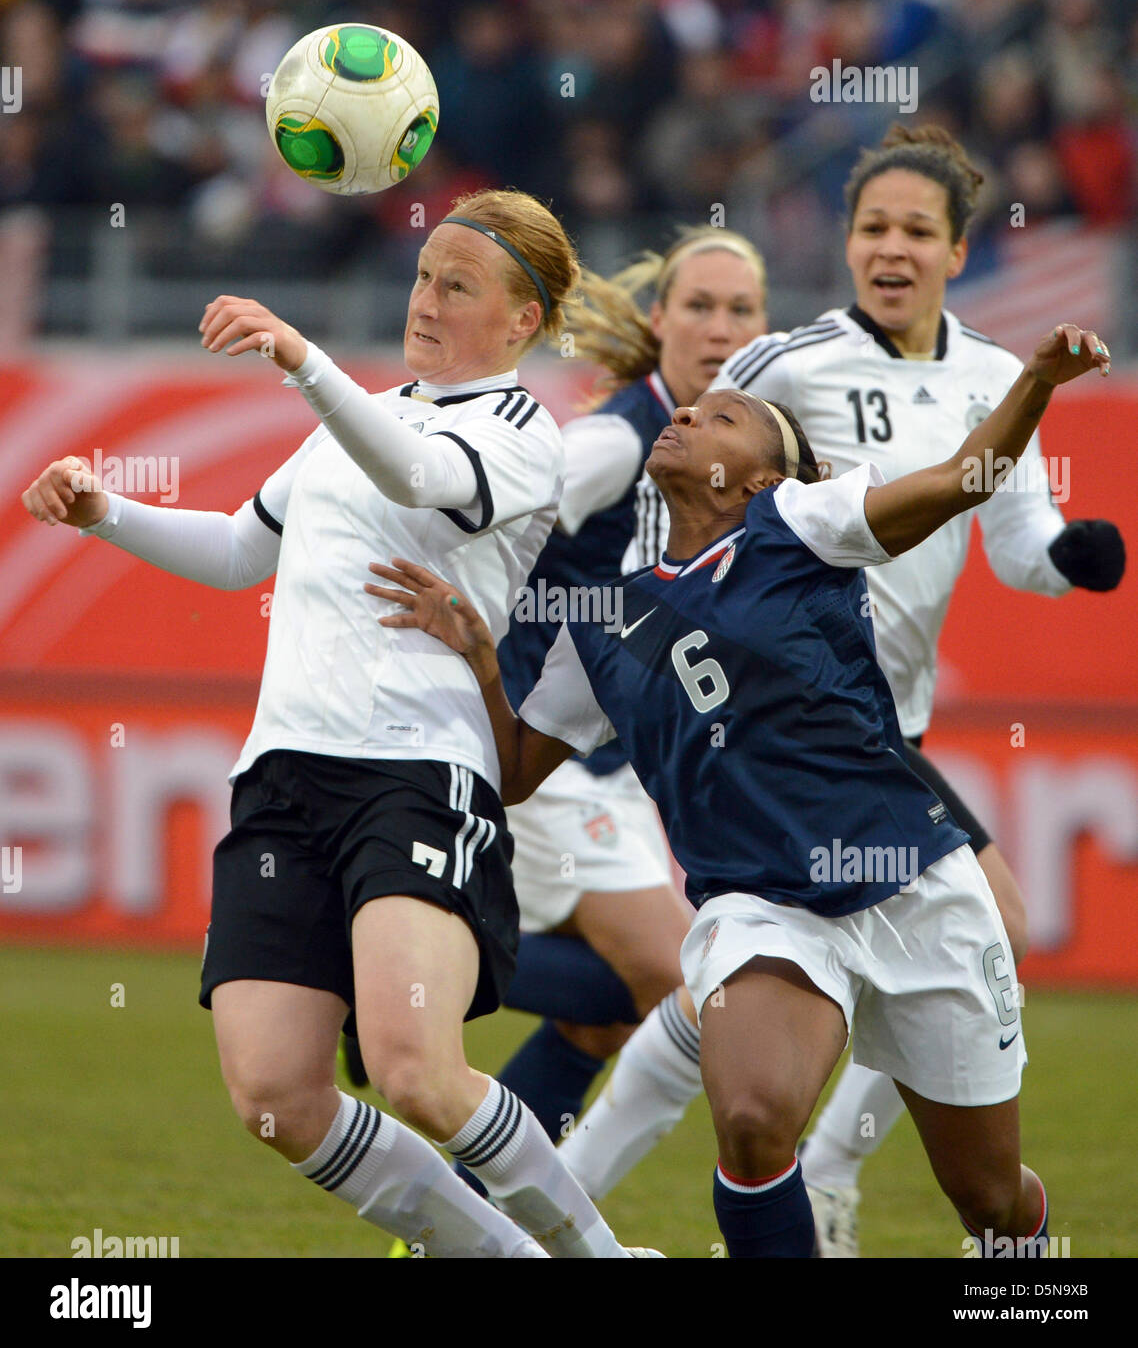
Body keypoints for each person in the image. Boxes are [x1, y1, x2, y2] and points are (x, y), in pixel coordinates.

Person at [367, 321, 1111, 1257]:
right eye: (688, 404)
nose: (685, 411)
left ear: (762, 477)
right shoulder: (604, 619)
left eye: (722, 415)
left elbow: (965, 476)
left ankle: (1028, 1254)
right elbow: (511, 772)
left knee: (989, 1196)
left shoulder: (800, 523)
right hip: (761, 906)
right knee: (757, 1122)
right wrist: (481, 659)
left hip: (916, 888)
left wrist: (1038, 379)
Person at [21, 189, 648, 1259]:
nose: (427, 298)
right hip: (282, 778)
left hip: (415, 771)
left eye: (459, 285)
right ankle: (499, 1255)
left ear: (521, 322)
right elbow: (234, 551)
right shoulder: (355, 419)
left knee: (415, 1066)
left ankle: (595, 1254)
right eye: (421, 274)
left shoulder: (519, 429)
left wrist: (301, 360)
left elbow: (422, 475)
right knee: (274, 1092)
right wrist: (103, 513)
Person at [554, 125, 1126, 1252]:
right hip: (780, 732)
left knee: (732, 1010)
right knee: (781, 1020)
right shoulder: (784, 364)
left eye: (917, 229)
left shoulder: (988, 377)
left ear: (959, 251)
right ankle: (783, 1176)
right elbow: (708, 475)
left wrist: (1066, 560)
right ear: (848, 243)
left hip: (879, 741)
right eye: (872, 227)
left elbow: (1009, 534)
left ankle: (576, 1194)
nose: (891, 248)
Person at [457, 228, 768, 1154]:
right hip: (547, 750)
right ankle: (382, 961)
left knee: (606, 1019)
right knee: (691, 991)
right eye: (699, 307)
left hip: (609, 763)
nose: (720, 327)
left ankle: (457, 1234)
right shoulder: (613, 440)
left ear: (765, 329)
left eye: (740, 309)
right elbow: (503, 503)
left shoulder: (743, 449)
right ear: (660, 319)